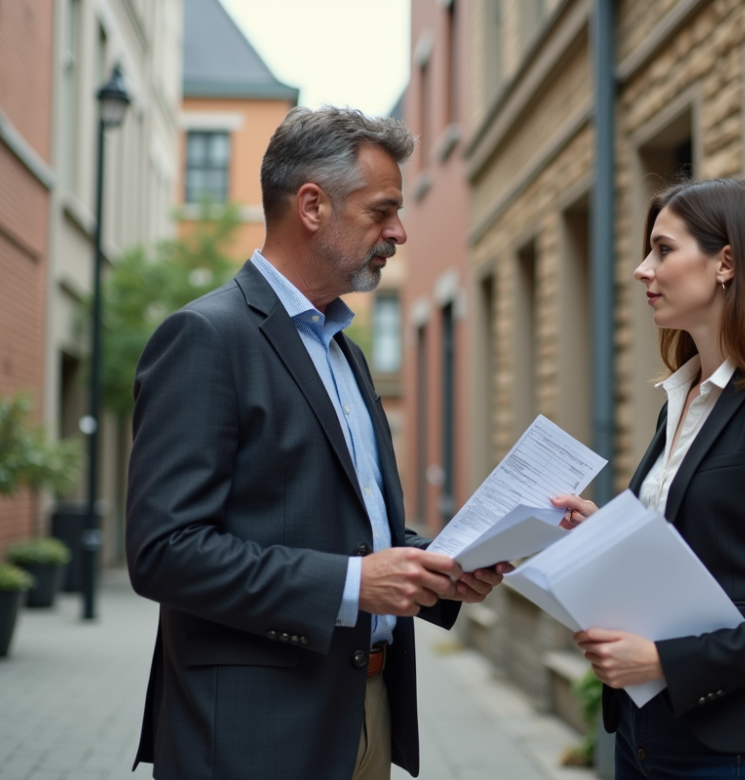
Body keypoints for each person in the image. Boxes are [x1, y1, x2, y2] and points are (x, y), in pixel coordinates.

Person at [126, 106, 508, 780]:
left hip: (366, 717)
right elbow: (164, 552)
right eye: (382, 210)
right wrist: (356, 583)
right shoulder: (207, 338)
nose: (400, 231)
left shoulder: (345, 353)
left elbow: (351, 527)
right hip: (253, 736)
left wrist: (439, 571)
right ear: (311, 206)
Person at [553, 178, 745, 779]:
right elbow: (696, 547)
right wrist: (606, 533)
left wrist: (665, 661)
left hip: (730, 748)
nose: (643, 270)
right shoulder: (681, 401)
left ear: (726, 262)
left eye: (663, 250)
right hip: (643, 731)